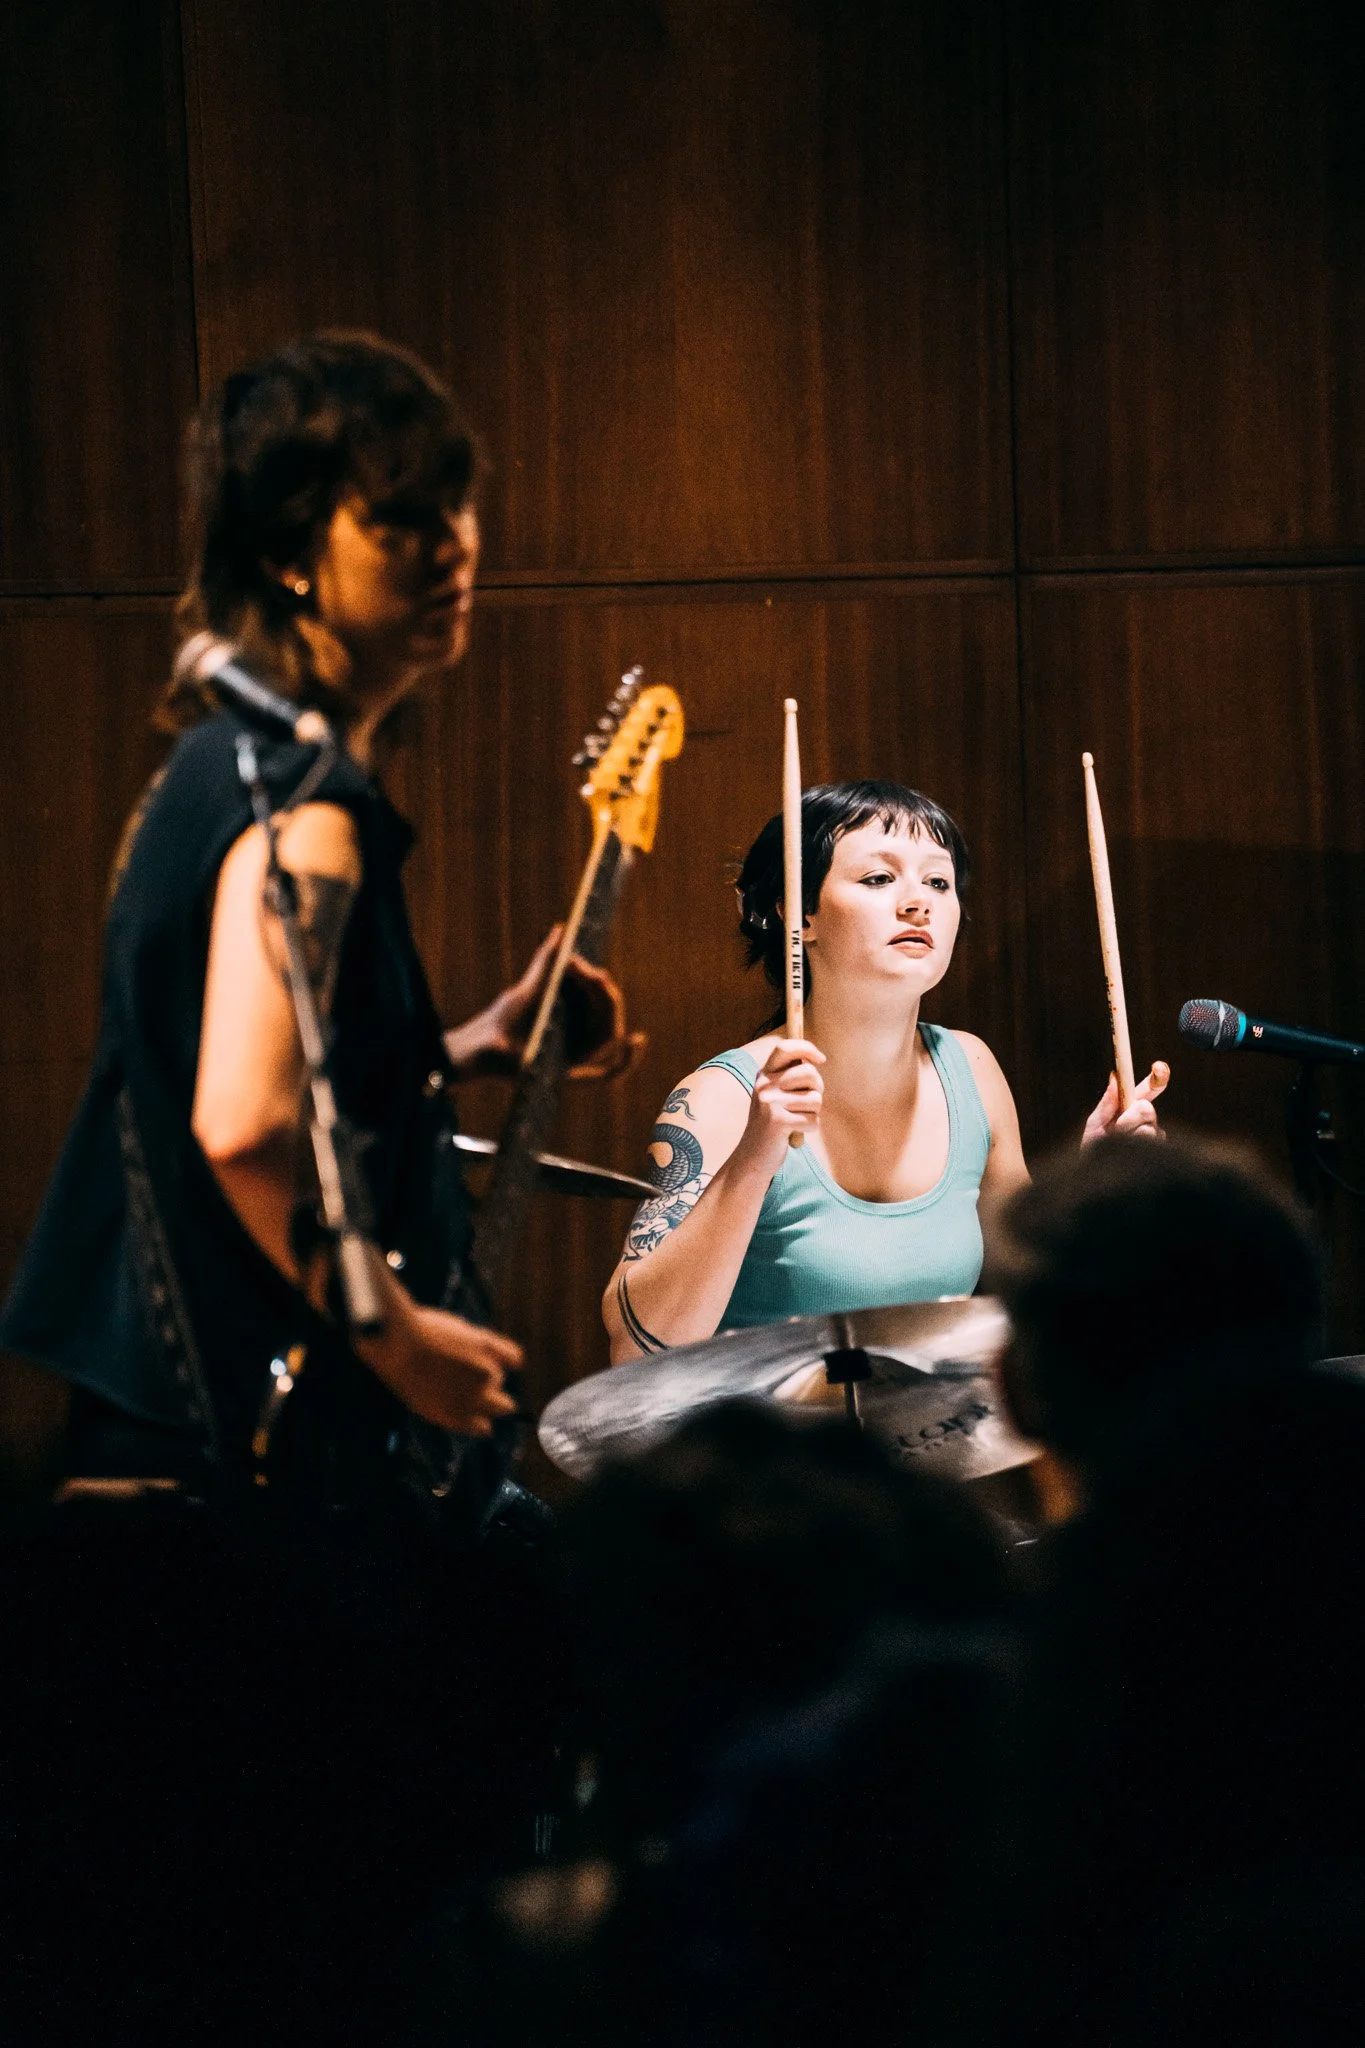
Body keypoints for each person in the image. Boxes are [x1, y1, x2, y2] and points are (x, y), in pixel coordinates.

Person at [0, 330, 632, 1502]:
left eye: (457, 505)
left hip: (164, 1431)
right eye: (401, 520)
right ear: (290, 554)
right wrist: (400, 1339)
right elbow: (245, 1127)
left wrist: (466, 1045)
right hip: (245, 1460)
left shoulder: (221, 764)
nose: (454, 544)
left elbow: (260, 1076)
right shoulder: (309, 809)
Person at [603, 779, 1166, 1360]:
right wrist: (754, 1158)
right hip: (758, 1420)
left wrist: (1097, 1182)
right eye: (878, 878)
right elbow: (635, 1347)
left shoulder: (970, 1069)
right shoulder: (720, 1098)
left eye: (939, 882)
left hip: (923, 1418)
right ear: (799, 916)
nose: (918, 903)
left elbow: (1035, 1285)